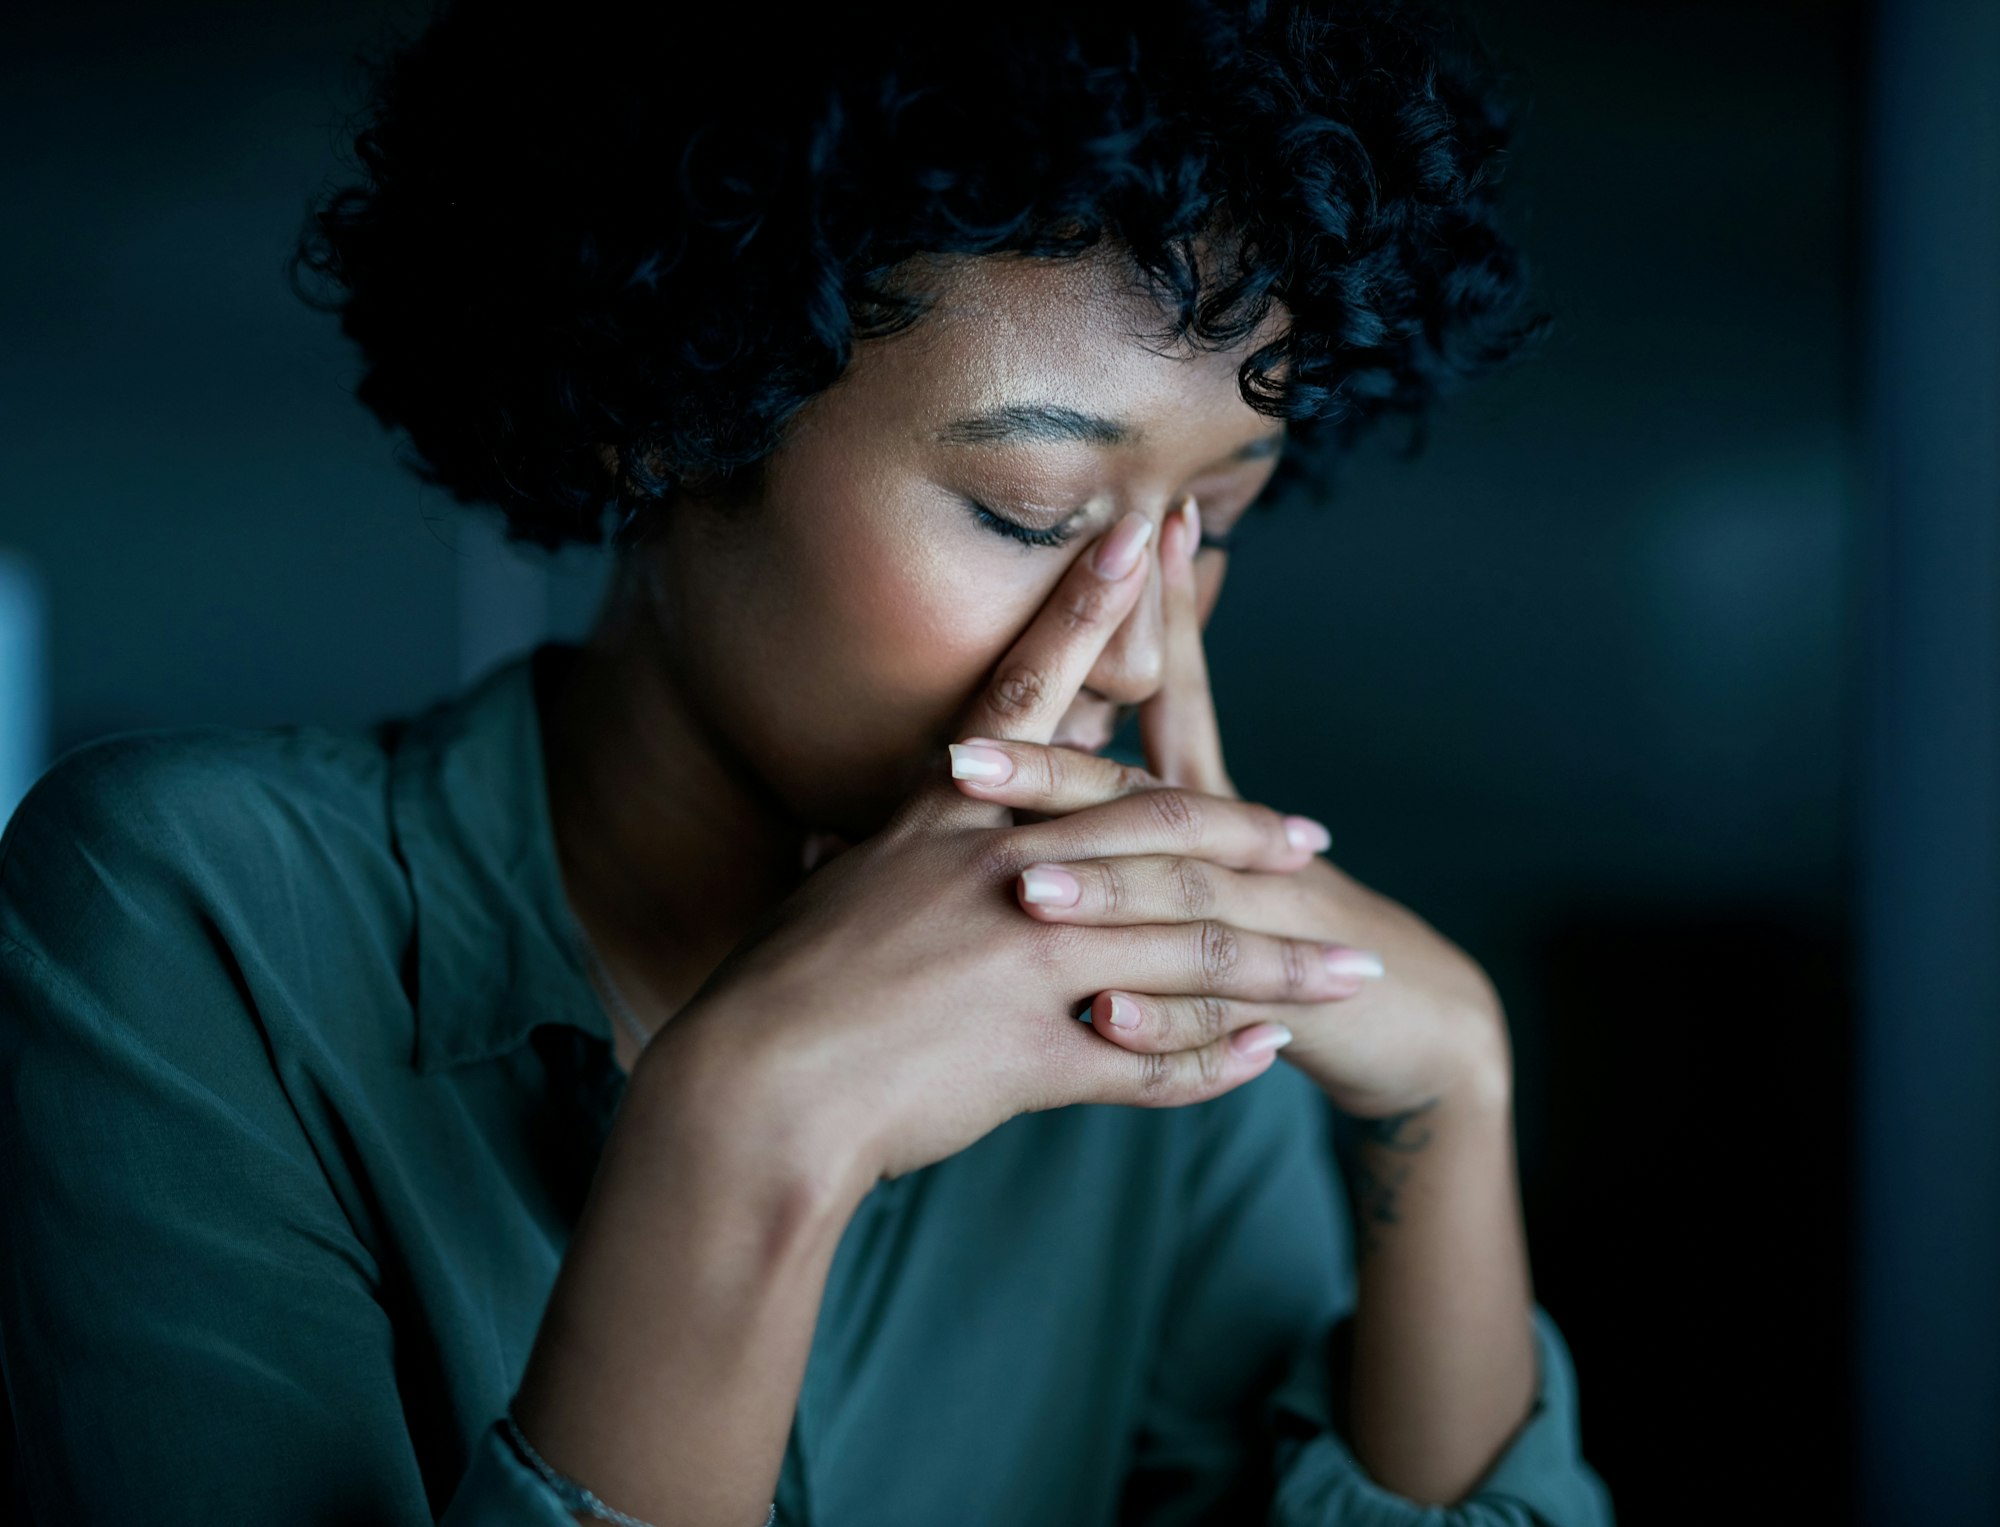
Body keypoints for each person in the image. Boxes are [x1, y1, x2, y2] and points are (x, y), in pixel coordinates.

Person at [0, 1, 1615, 1522]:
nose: (1132, 647)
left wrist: (1452, 1089)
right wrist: (744, 1132)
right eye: (1030, 516)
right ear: (668, 412)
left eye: (1217, 522)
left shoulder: (1158, 1006)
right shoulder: (187, 916)